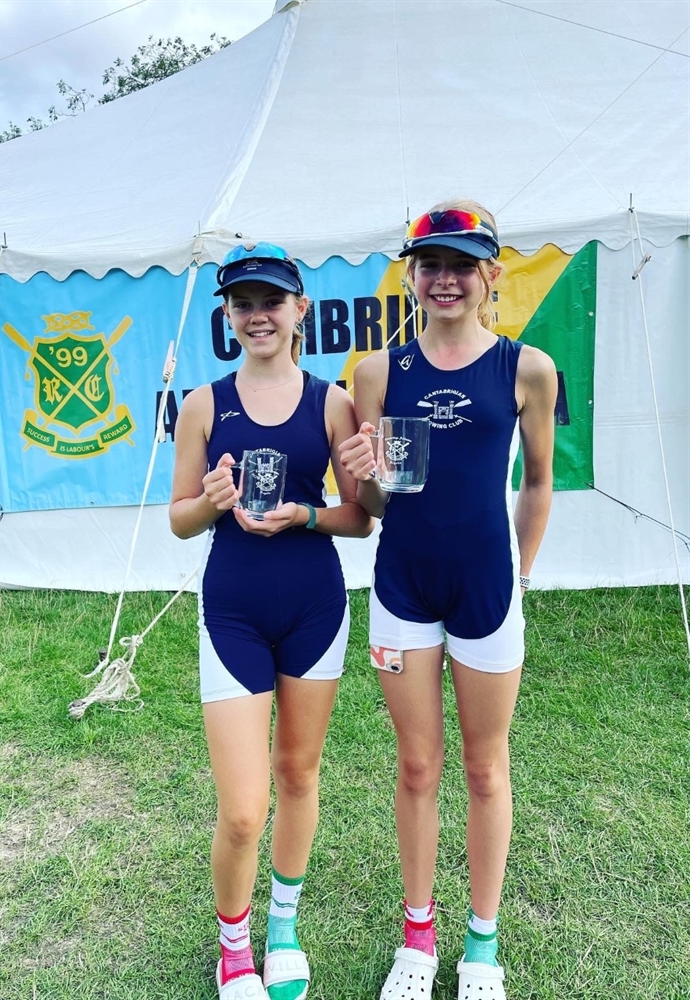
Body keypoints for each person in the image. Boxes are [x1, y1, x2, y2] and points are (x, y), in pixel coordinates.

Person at [338, 201, 558, 1000]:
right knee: (418, 764)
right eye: (430, 264)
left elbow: (537, 481)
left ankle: (482, 950)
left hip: (489, 591)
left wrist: (521, 576)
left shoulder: (525, 368)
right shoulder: (377, 372)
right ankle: (418, 943)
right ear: (411, 275)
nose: (445, 279)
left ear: (491, 274)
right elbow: (372, 506)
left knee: (486, 767)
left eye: (462, 264)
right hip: (402, 586)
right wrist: (353, 468)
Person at [169, 243, 373, 1000]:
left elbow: (359, 518)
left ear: (299, 312)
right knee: (244, 807)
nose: (258, 314)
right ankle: (233, 945)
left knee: (298, 773)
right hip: (234, 612)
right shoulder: (203, 404)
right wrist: (215, 503)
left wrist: (307, 514)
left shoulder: (332, 401)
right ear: (228, 315)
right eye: (243, 303)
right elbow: (179, 520)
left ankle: (282, 925)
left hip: (315, 607)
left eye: (272, 301)